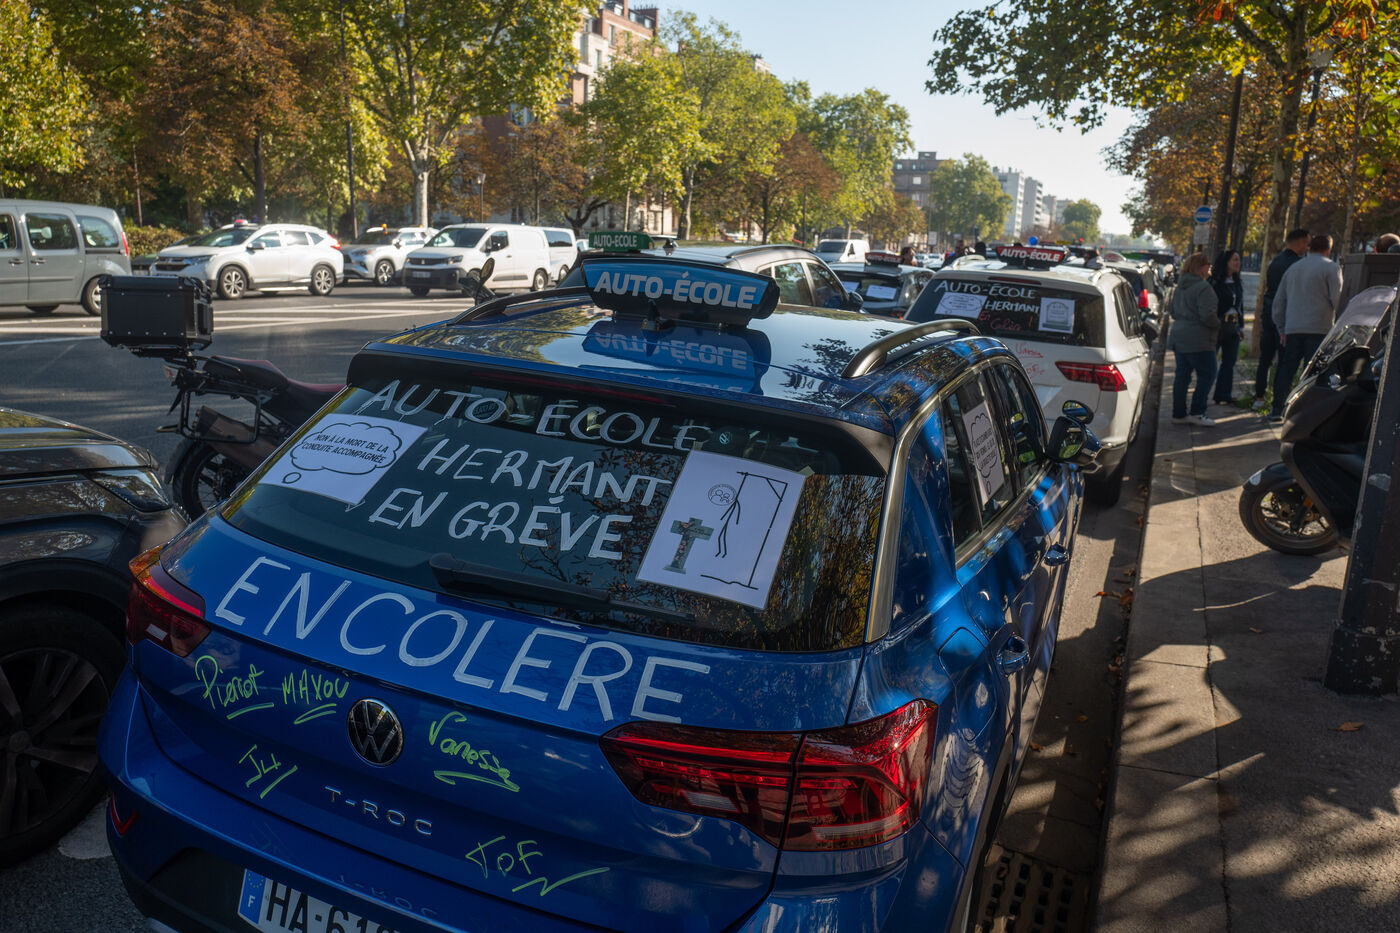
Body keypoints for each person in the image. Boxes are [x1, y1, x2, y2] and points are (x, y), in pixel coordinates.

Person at [1270, 233, 1343, 423]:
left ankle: (1277, 408)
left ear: (1310, 247)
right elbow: (1337, 299)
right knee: (1314, 372)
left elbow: (1279, 302)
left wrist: (1282, 328)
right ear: (1328, 249)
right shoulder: (1331, 268)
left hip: (1293, 327)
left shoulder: (1294, 268)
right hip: (1319, 327)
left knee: (1287, 369)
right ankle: (1306, 412)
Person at [1253, 228, 1310, 411]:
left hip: (1269, 313)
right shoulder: (1297, 265)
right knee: (1284, 361)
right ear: (1300, 242)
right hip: (1285, 316)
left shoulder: (1275, 261)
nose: (1307, 247)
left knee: (1265, 359)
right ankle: (1278, 402)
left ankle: (1259, 397)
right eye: (1306, 243)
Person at [1167, 252, 1220, 426]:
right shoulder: (1203, 288)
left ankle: (1179, 413)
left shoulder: (1180, 287)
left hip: (1179, 336)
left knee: (1182, 376)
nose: (1210, 267)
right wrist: (1219, 325)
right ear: (1201, 267)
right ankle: (1198, 412)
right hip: (1199, 339)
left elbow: (1173, 311)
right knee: (1208, 373)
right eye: (1208, 265)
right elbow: (1207, 315)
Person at [1210, 249, 1244, 405]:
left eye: (1238, 260)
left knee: (1229, 363)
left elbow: (1240, 306)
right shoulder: (1215, 282)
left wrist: (1240, 326)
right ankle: (1202, 397)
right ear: (1226, 263)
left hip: (1233, 326)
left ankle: (1224, 394)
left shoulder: (1237, 282)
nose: (1238, 263)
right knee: (1211, 363)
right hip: (1217, 326)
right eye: (1234, 260)